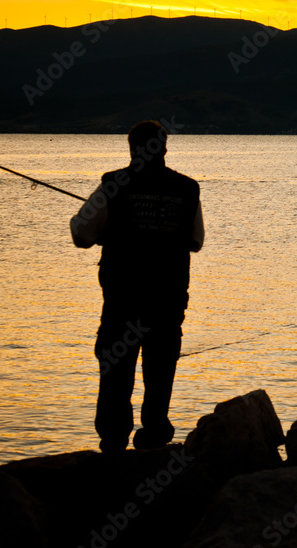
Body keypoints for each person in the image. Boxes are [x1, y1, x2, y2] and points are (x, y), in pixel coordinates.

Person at [70, 120, 205, 453]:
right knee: (159, 370)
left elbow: (80, 234)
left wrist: (108, 232)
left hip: (123, 301)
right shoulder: (187, 189)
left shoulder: (112, 185)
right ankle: (155, 438)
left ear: (131, 148)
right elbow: (195, 241)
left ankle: (114, 442)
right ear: (165, 147)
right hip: (168, 300)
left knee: (116, 369)